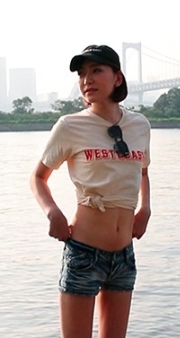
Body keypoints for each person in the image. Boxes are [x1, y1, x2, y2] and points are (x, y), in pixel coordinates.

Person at [30, 44, 151, 338]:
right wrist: (53, 213)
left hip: (124, 256)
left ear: (117, 78)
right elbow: (38, 177)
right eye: (82, 73)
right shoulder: (70, 126)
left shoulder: (139, 125)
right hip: (84, 253)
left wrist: (145, 208)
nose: (87, 79)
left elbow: (143, 170)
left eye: (96, 70)